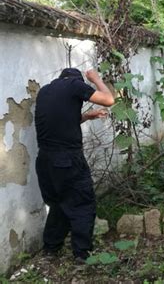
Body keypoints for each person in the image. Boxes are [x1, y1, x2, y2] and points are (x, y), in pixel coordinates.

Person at [34, 68, 114, 264]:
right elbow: (109, 99)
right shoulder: (75, 85)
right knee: (82, 204)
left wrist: (87, 116)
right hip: (67, 160)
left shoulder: (45, 91)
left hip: (44, 161)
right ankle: (81, 253)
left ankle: (51, 248)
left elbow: (61, 121)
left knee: (58, 205)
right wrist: (96, 79)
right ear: (76, 81)